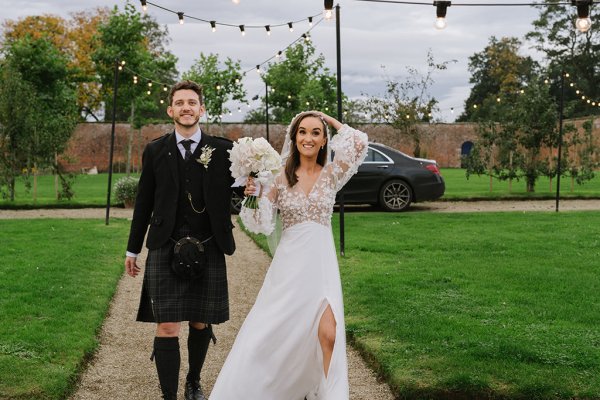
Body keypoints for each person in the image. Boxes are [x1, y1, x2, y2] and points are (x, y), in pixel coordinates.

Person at [210, 111, 368, 400]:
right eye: (303, 132)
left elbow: (358, 144)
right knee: (274, 333)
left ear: (323, 141)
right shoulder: (279, 177)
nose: (308, 138)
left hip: (321, 265)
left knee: (329, 334)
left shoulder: (332, 174)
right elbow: (259, 223)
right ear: (294, 138)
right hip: (290, 265)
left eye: (315, 133)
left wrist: (327, 118)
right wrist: (253, 194)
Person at [124, 80, 235, 400]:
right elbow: (143, 203)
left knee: (200, 322)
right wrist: (133, 249)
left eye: (192, 102)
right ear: (171, 110)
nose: (187, 107)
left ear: (202, 109)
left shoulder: (224, 150)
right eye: (180, 103)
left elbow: (238, 193)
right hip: (165, 244)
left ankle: (194, 382)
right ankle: (169, 395)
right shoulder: (155, 150)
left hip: (209, 243)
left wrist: (250, 187)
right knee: (168, 326)